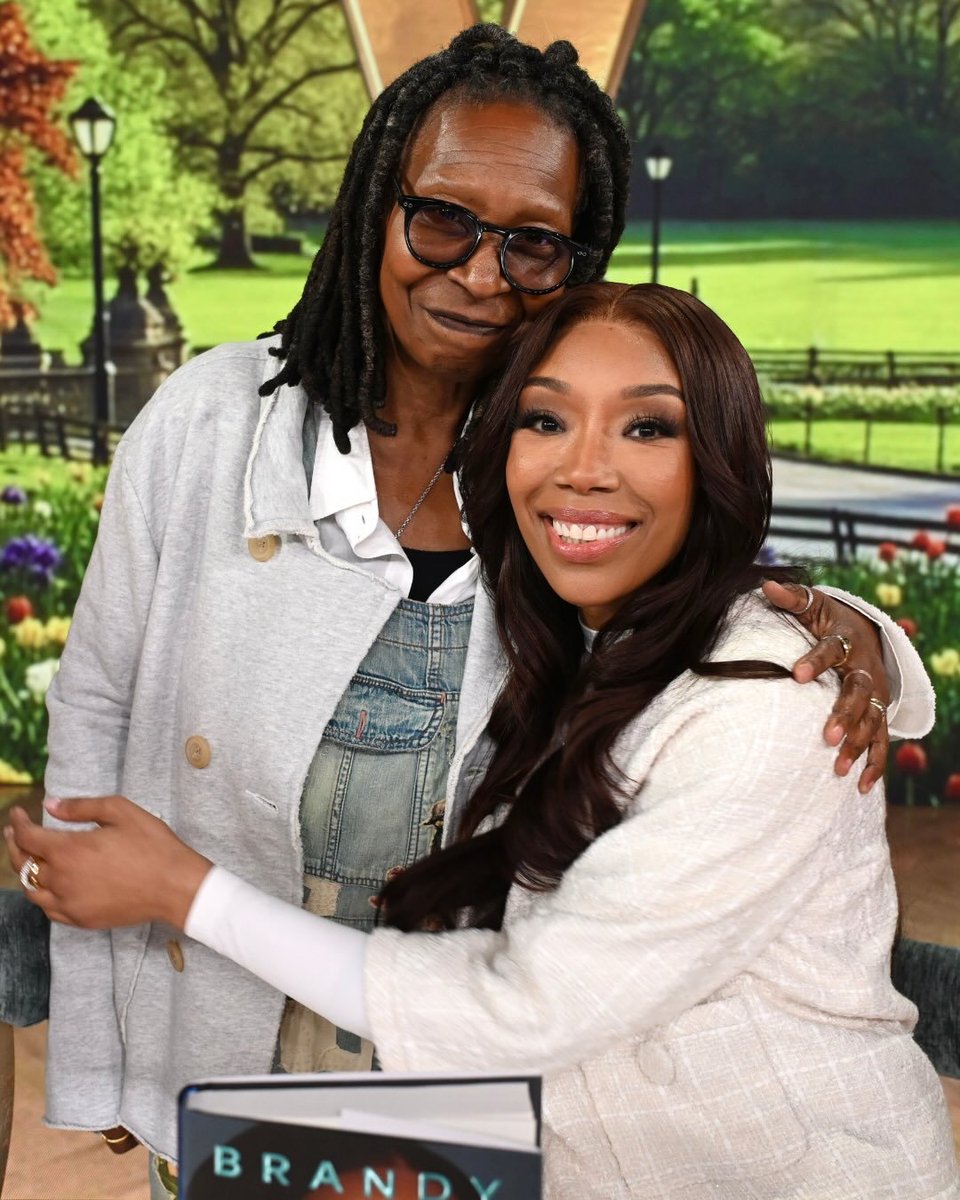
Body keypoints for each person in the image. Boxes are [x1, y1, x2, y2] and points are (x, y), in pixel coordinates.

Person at [8, 18, 932, 1184]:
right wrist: (108, 1058)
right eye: (441, 216)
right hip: (227, 1021)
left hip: (473, 1070)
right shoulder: (209, 426)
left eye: (533, 242)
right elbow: (98, 720)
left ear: (577, 259)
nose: (482, 270)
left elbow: (708, 604)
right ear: (373, 207)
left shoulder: (551, 459)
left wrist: (868, 639)